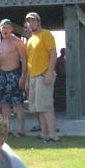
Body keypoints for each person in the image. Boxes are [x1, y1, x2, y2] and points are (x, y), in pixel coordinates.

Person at [25, 12, 60, 142]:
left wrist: (49, 73)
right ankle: (44, 134)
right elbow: (29, 62)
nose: (31, 23)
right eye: (29, 21)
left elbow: (53, 54)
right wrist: (27, 79)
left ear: (39, 22)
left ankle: (53, 135)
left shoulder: (46, 34)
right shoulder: (30, 40)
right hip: (33, 77)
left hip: (44, 75)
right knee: (39, 108)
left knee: (46, 106)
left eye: (33, 21)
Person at [0, 19, 27, 137]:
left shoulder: (18, 42)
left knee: (17, 103)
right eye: (3, 27)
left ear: (11, 29)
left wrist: (23, 76)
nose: (5, 30)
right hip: (2, 75)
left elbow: (25, 60)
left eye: (7, 27)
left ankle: (21, 130)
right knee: (4, 104)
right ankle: (7, 129)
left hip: (14, 74)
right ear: (0, 29)